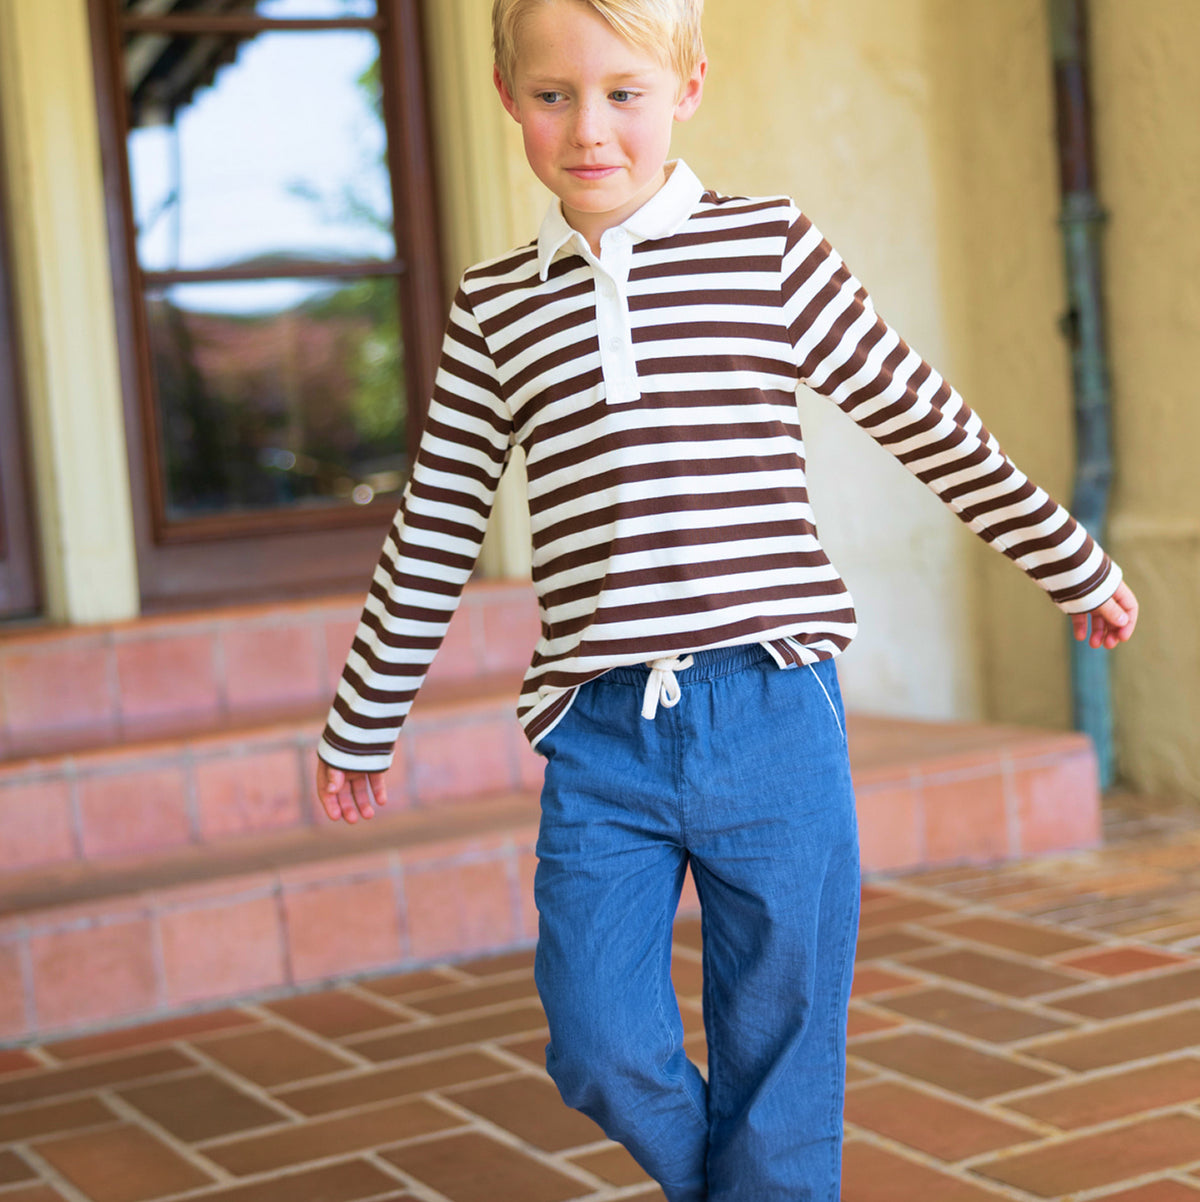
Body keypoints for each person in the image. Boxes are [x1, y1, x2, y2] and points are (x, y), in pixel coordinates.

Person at [314, 1, 1140, 1197]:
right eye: (554, 95)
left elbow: (924, 416)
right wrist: (365, 713)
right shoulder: (496, 309)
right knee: (597, 1036)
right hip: (602, 735)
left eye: (623, 93)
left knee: (783, 1045)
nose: (590, 128)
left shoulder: (768, 250)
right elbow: (435, 521)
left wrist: (1070, 556)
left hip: (774, 710)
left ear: (688, 85)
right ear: (506, 98)